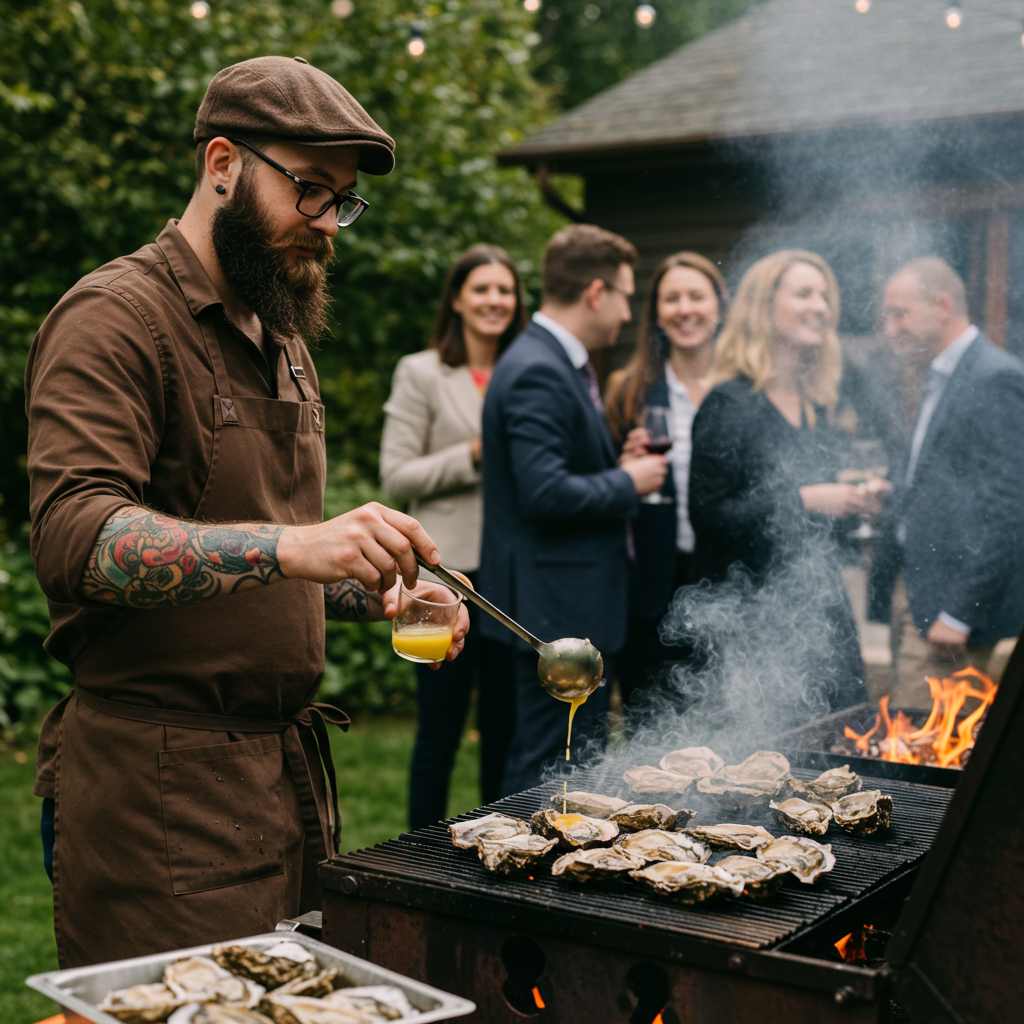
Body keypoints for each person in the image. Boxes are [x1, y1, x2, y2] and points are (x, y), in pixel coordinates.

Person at [24, 56, 468, 968]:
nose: (325, 227)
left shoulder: (282, 335)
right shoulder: (114, 319)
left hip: (285, 786)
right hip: (160, 800)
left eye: (340, 202)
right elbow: (79, 539)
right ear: (221, 163)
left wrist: (368, 580)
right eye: (308, 191)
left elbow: (271, 546)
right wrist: (299, 547)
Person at [478, 224, 668, 795]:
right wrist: (628, 482)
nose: (627, 311)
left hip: (559, 603)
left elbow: (555, 468)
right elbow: (545, 494)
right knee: (551, 766)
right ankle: (525, 876)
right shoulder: (539, 368)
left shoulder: (550, 359)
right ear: (595, 292)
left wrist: (615, 461)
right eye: (625, 295)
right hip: (556, 612)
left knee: (563, 760)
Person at [689, 250, 883, 712]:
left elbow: (816, 532)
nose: (821, 306)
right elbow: (709, 518)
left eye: (824, 296)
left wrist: (856, 501)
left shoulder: (817, 405)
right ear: (764, 306)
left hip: (822, 614)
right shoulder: (727, 404)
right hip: (757, 620)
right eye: (804, 293)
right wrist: (807, 499)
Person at [380, 244, 524, 829]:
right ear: (458, 299)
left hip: (514, 574)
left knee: (504, 729)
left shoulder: (527, 370)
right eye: (482, 288)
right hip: (442, 575)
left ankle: (496, 845)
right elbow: (396, 473)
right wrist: (472, 454)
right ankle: (418, 850)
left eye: (505, 290)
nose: (495, 300)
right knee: (438, 729)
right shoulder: (422, 371)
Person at [868, 257, 1024, 705]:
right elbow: (957, 483)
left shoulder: (995, 377)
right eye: (887, 316)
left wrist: (960, 614)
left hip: (951, 618)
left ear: (942, 305)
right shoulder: (941, 373)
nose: (890, 327)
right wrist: (899, 496)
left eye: (900, 313)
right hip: (920, 596)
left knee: (926, 758)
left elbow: (1010, 510)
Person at [605, 252, 730, 710]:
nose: (685, 309)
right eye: (671, 298)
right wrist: (625, 466)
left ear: (719, 305)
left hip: (724, 579)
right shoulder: (628, 389)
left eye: (696, 296)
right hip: (652, 584)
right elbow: (608, 483)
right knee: (650, 720)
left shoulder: (744, 387)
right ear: (656, 313)